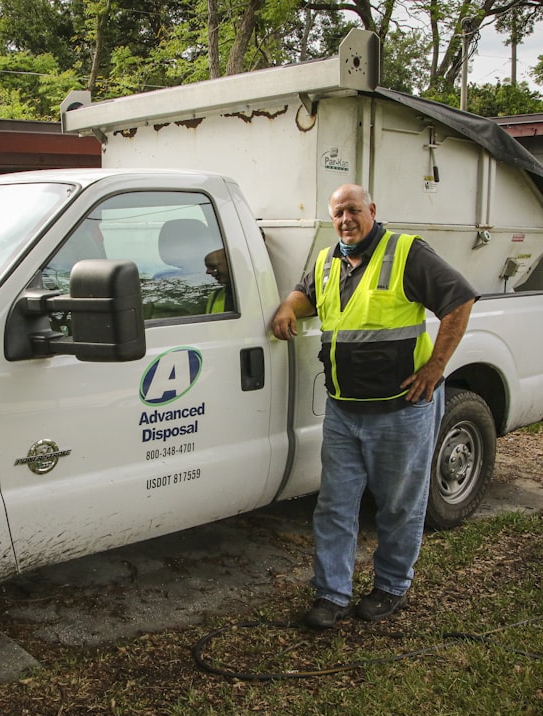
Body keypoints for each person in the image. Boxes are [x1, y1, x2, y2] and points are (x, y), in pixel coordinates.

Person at [271, 184, 477, 629]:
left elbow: (459, 301)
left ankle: (391, 587)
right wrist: (289, 307)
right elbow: (304, 293)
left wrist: (435, 369)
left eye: (353, 209)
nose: (346, 219)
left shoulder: (406, 252)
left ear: (372, 210)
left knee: (399, 506)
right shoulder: (328, 262)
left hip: (401, 410)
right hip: (344, 411)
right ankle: (331, 595)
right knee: (335, 507)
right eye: (338, 213)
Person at [204, 249, 234, 313]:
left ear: (231, 263)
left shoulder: (259, 287)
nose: (208, 272)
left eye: (213, 266)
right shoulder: (214, 296)